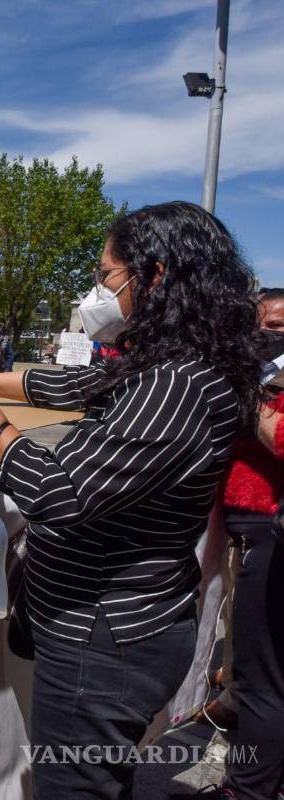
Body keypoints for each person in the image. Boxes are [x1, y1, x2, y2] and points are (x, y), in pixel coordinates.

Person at [0, 201, 261, 799]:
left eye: (107, 276)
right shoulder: (173, 364)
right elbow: (71, 383)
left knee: (75, 786)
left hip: (105, 646)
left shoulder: (176, 385)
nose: (96, 292)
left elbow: (54, 491)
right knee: (99, 781)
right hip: (120, 630)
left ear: (154, 277)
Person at [197, 287, 284, 800]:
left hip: (269, 534)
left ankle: (246, 792)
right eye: (262, 325)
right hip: (249, 531)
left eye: (277, 327)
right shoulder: (259, 373)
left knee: (262, 681)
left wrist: (252, 401)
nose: (268, 336)